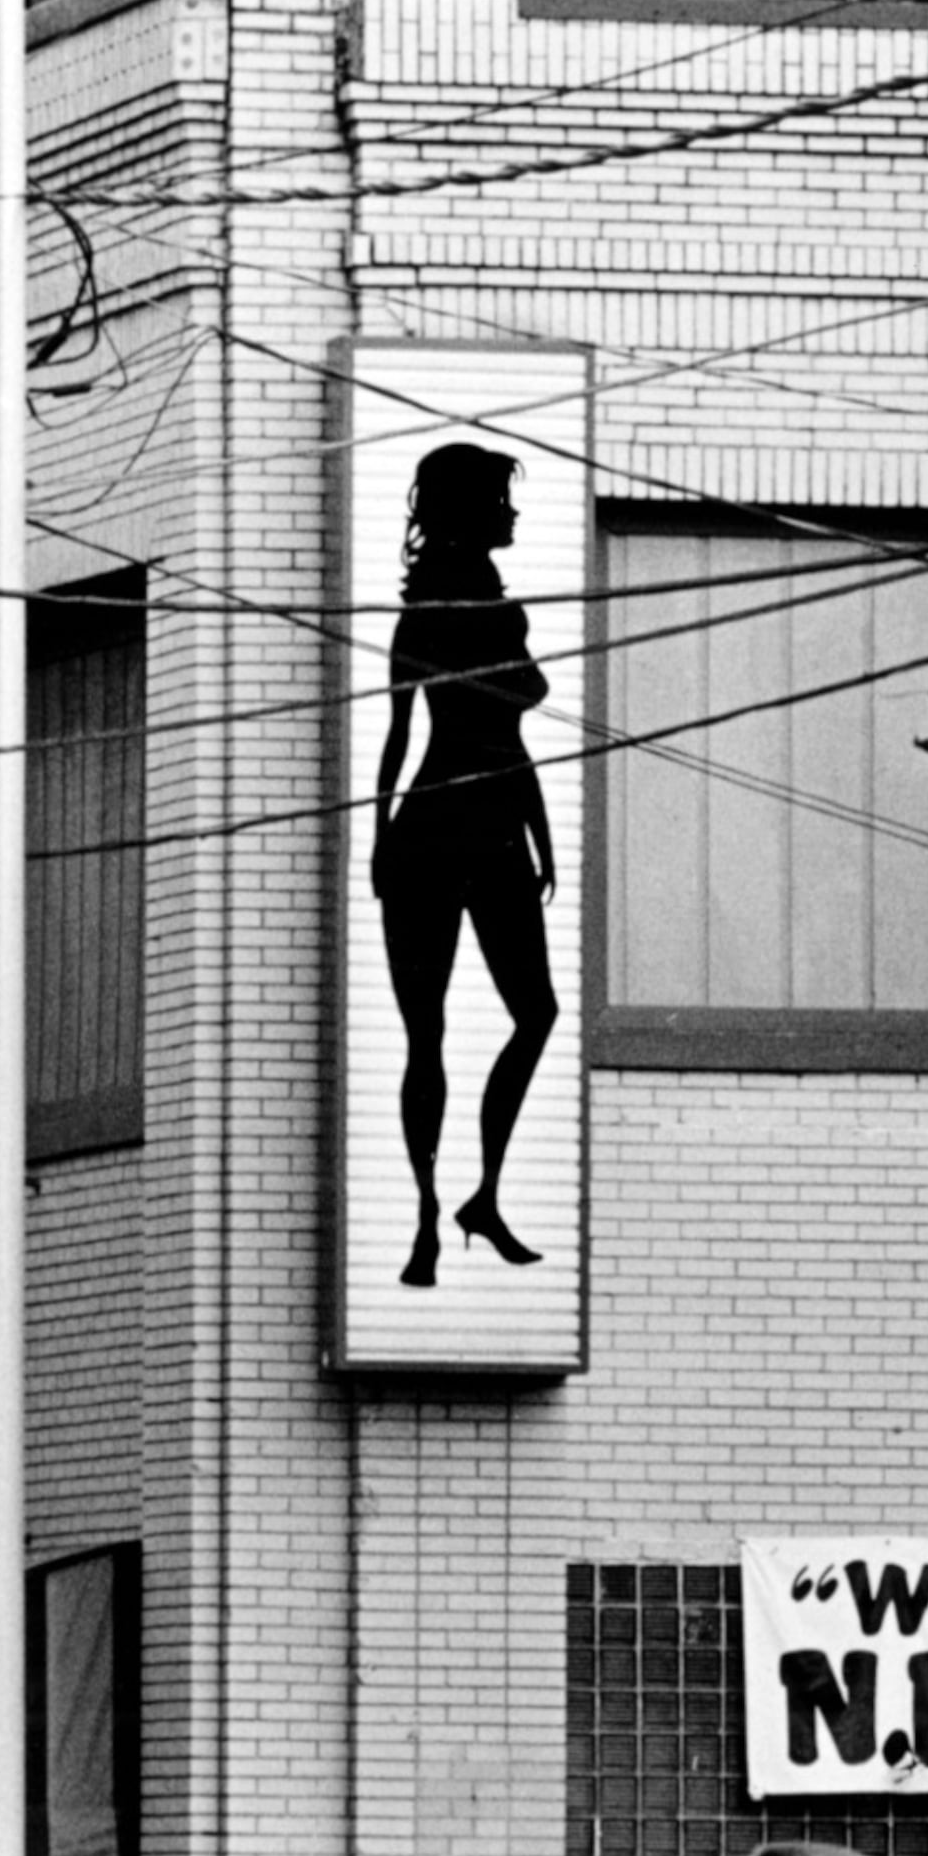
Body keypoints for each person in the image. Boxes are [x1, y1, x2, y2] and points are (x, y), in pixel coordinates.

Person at [370, 440, 560, 1290]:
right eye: (500, 501)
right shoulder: (477, 616)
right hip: (470, 829)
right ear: (471, 510)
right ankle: (440, 1211)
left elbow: (417, 737)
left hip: (451, 826)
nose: (511, 514)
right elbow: (489, 721)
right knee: (467, 1026)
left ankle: (459, 1205)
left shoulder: (442, 615)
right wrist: (377, 836)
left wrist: (382, 835)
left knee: (475, 1026)